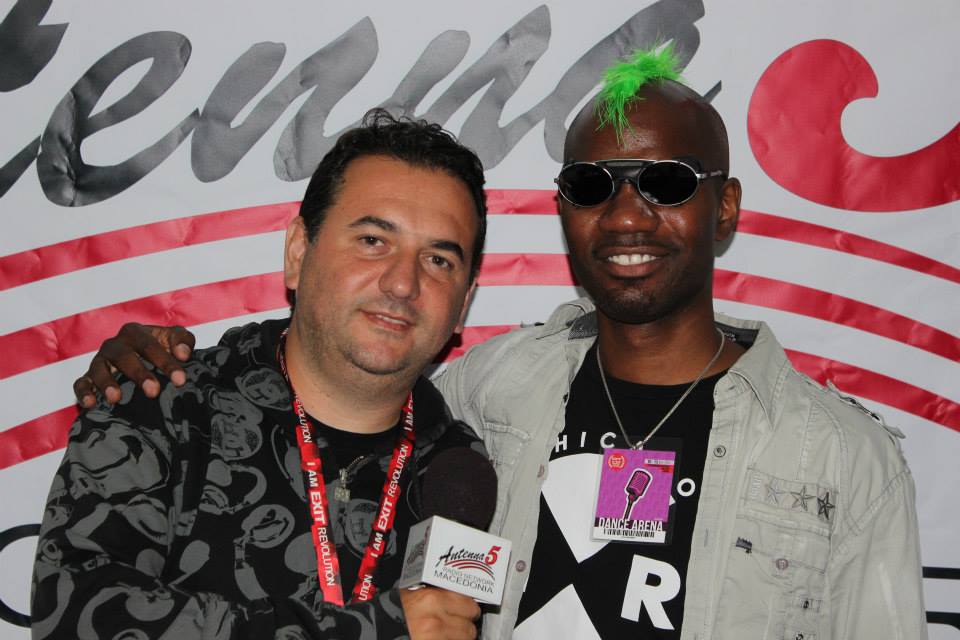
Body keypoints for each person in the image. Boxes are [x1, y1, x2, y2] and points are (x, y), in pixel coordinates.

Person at [71, 47, 928, 639]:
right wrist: (153, 363)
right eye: (593, 185)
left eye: (666, 183)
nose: (627, 216)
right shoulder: (489, 392)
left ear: (726, 207)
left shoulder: (842, 459)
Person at [34, 110, 492, 640]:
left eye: (439, 261)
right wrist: (373, 631)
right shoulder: (163, 403)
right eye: (373, 240)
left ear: (462, 305)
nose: (403, 283)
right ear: (299, 252)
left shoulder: (461, 469)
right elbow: (78, 619)